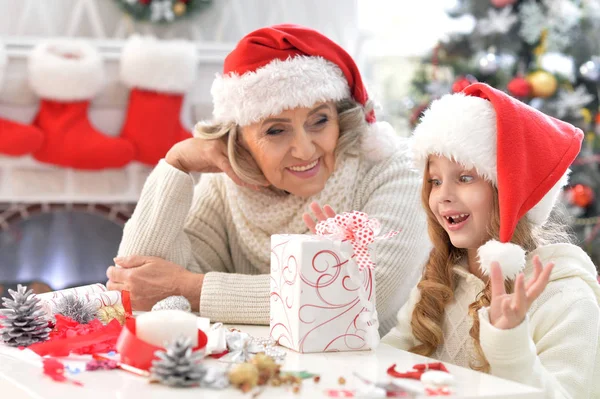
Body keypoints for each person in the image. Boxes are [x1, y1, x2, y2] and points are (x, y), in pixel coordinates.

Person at [105, 24, 430, 334]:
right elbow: (141, 286)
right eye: (276, 130)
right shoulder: (227, 183)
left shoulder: (391, 169)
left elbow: (365, 297)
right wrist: (175, 164)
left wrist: (191, 289)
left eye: (319, 120)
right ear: (239, 138)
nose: (304, 150)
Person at [381, 83, 600, 398]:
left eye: (465, 178)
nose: (442, 196)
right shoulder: (439, 280)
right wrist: (340, 293)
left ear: (513, 193)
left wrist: (510, 342)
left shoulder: (567, 297)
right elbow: (385, 367)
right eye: (434, 181)